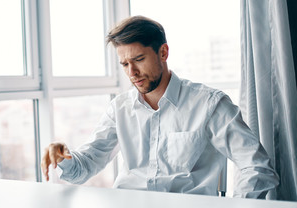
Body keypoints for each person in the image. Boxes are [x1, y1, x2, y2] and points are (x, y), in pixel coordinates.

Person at [41, 16, 279, 198]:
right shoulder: (120, 109)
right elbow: (85, 167)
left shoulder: (210, 104)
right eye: (124, 64)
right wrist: (64, 158)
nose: (131, 73)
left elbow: (257, 167)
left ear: (163, 52)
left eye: (139, 60)